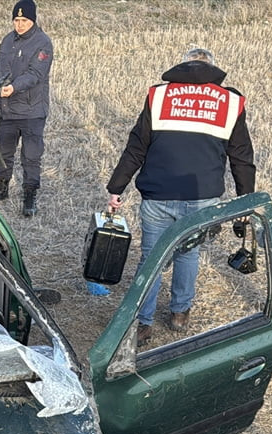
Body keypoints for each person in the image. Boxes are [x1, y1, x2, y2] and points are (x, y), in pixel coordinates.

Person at [105, 48, 255, 343]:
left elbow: (136, 147)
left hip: (157, 194)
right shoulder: (230, 102)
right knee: (188, 254)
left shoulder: (159, 96)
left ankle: (143, 324)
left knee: (151, 259)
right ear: (212, 70)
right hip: (201, 197)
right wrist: (244, 201)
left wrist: (116, 187)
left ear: (184, 67)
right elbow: (241, 158)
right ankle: (179, 313)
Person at [0, 0, 53, 217]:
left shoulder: (43, 43)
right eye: (16, 20)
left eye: (24, 20)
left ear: (32, 20)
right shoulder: (7, 41)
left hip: (32, 111)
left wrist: (13, 88)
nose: (19, 24)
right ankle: (2, 187)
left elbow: (36, 75)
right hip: (7, 110)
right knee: (3, 151)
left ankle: (29, 194)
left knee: (31, 155)